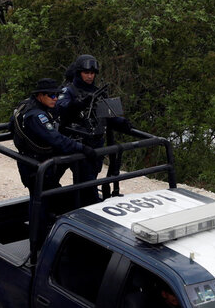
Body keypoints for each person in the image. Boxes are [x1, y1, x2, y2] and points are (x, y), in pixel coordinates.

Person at [55, 54, 131, 204]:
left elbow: (106, 114)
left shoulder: (97, 91)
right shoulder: (68, 90)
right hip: (71, 143)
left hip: (93, 145)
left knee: (88, 185)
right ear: (79, 73)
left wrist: (121, 122)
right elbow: (60, 107)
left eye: (92, 73)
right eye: (86, 73)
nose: (90, 76)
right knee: (49, 179)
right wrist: (78, 104)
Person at [10, 78, 96, 195]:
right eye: (51, 95)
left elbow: (11, 126)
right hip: (36, 165)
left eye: (57, 94)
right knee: (42, 201)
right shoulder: (36, 116)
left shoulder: (26, 105)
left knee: (43, 197)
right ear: (40, 95)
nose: (55, 98)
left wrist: (76, 105)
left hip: (33, 161)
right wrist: (82, 148)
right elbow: (56, 139)